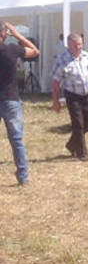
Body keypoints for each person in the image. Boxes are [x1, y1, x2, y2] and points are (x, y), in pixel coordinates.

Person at [51, 32, 88, 161]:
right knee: (78, 124)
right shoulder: (62, 60)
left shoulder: (87, 57)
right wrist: (55, 101)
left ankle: (72, 145)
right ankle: (82, 152)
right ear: (70, 45)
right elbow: (55, 82)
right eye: (77, 45)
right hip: (73, 96)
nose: (79, 47)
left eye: (81, 44)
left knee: (86, 124)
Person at [0, 22, 39, 186]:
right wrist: (16, 34)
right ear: (3, 33)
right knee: (16, 139)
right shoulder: (11, 49)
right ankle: (23, 176)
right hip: (10, 98)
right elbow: (35, 51)